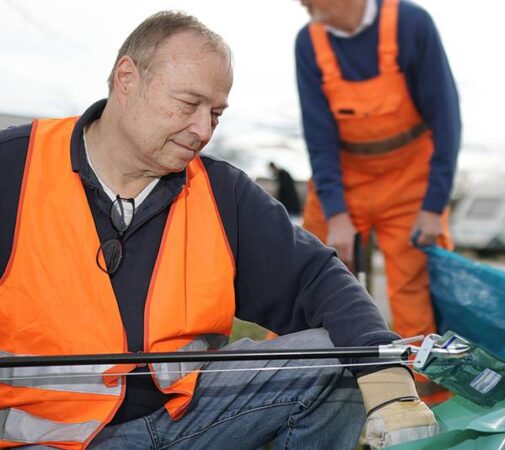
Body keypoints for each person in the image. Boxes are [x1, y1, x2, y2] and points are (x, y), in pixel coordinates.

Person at [0, 11, 437, 449]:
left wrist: (385, 376)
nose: (202, 130)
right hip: (46, 439)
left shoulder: (222, 193)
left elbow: (319, 279)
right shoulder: (13, 169)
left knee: (333, 356)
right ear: (127, 78)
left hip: (185, 425)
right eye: (189, 104)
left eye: (216, 113)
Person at [294, 0, 461, 345]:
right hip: (342, 178)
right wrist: (336, 215)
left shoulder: (411, 24)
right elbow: (318, 137)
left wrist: (433, 207)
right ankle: (294, 382)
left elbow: (446, 119)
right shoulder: (309, 41)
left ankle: (426, 392)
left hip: (410, 180)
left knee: (415, 292)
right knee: (308, 278)